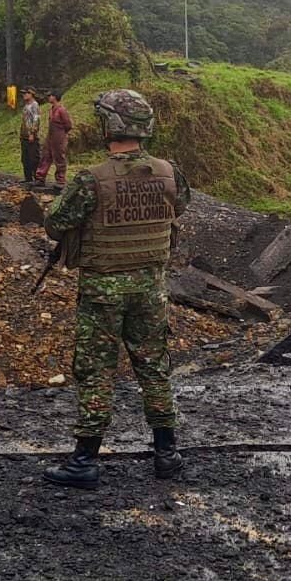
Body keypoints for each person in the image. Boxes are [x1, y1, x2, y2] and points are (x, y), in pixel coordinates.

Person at [42, 88, 190, 490]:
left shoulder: (91, 179)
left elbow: (56, 223)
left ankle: (85, 461)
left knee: (96, 371)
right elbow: (180, 206)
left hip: (103, 291)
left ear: (111, 125)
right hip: (151, 289)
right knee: (154, 367)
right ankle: (167, 455)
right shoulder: (169, 172)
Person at [33, 89, 72, 187]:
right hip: (50, 136)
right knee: (45, 156)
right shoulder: (51, 109)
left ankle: (60, 180)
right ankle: (40, 178)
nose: (49, 97)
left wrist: (62, 134)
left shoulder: (61, 110)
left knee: (59, 158)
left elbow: (68, 125)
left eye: (50, 95)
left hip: (59, 137)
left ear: (55, 97)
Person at [19, 88, 42, 183]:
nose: (24, 95)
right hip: (24, 135)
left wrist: (32, 133)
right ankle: (27, 177)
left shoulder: (35, 105)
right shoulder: (26, 106)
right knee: (25, 158)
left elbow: (36, 120)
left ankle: (37, 178)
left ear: (31, 94)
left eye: (26, 93)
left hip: (31, 135)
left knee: (34, 158)